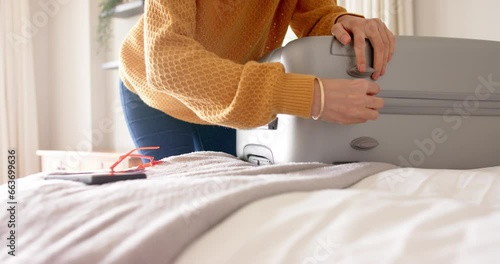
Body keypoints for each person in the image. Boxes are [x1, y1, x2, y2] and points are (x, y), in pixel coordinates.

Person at [119, 0, 395, 160]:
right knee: (174, 199)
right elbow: (166, 61)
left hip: (224, 89)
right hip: (152, 91)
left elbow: (317, 14)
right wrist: (307, 96)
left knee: (228, 198)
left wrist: (343, 21)